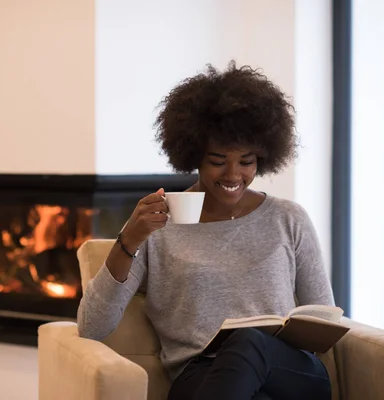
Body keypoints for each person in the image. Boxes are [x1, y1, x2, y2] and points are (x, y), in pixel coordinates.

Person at [77, 62, 333, 400]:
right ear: (193, 154)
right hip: (201, 376)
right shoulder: (156, 224)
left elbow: (323, 320)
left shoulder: (289, 219)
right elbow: (91, 326)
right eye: (217, 160)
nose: (233, 175)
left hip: (290, 371)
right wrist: (129, 240)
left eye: (246, 161)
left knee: (249, 343)